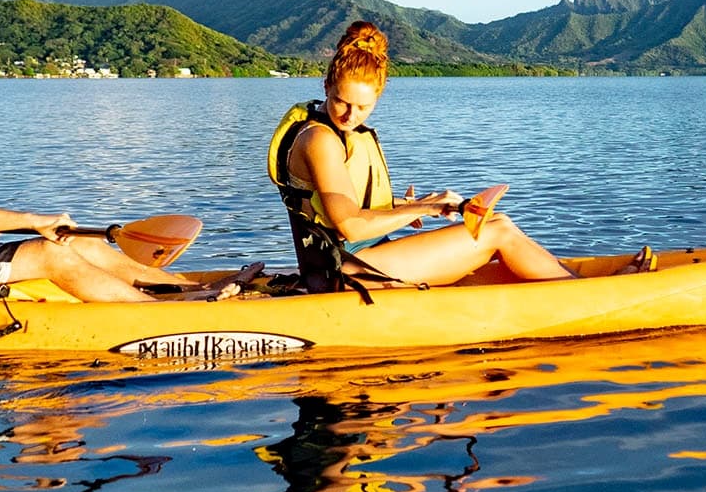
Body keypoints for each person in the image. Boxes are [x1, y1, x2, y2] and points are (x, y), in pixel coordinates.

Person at [271, 21, 642, 291]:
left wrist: (403, 207)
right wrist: (423, 209)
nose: (351, 115)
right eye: (341, 101)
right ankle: (592, 296)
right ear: (326, 87)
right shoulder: (319, 139)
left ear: (378, 98)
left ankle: (572, 285)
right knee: (499, 230)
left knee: (504, 259)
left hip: (370, 258)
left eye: (363, 107)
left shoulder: (341, 132)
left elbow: (344, 206)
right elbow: (349, 226)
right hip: (345, 272)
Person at [0, 55, 222, 303]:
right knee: (52, 255)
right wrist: (34, 223)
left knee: (81, 245)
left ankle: (188, 289)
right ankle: (158, 315)